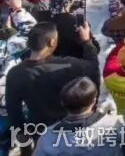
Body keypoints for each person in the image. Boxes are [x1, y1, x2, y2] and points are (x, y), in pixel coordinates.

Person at [5, 21, 101, 149]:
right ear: (52, 42)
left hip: (40, 131)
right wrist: (87, 41)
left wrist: (24, 138)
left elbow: (13, 110)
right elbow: (92, 66)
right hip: (71, 128)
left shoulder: (15, 73)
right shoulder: (69, 65)